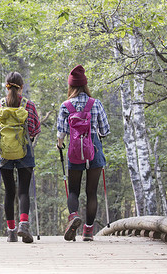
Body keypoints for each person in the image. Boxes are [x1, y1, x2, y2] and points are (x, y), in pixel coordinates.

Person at [56, 65, 110, 241]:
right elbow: (105, 130)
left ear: (71, 86)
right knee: (92, 192)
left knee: (73, 190)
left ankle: (73, 216)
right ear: (85, 85)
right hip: (93, 148)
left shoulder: (66, 106)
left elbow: (61, 134)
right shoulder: (96, 103)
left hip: (74, 150)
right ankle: (88, 231)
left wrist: (59, 144)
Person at [0, 72, 41, 243]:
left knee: (9, 192)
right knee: (23, 191)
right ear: (22, 87)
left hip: (4, 153)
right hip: (25, 151)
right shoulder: (29, 105)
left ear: (6, 85)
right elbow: (34, 130)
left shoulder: (0, 105)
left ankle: (11, 231)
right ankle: (23, 224)